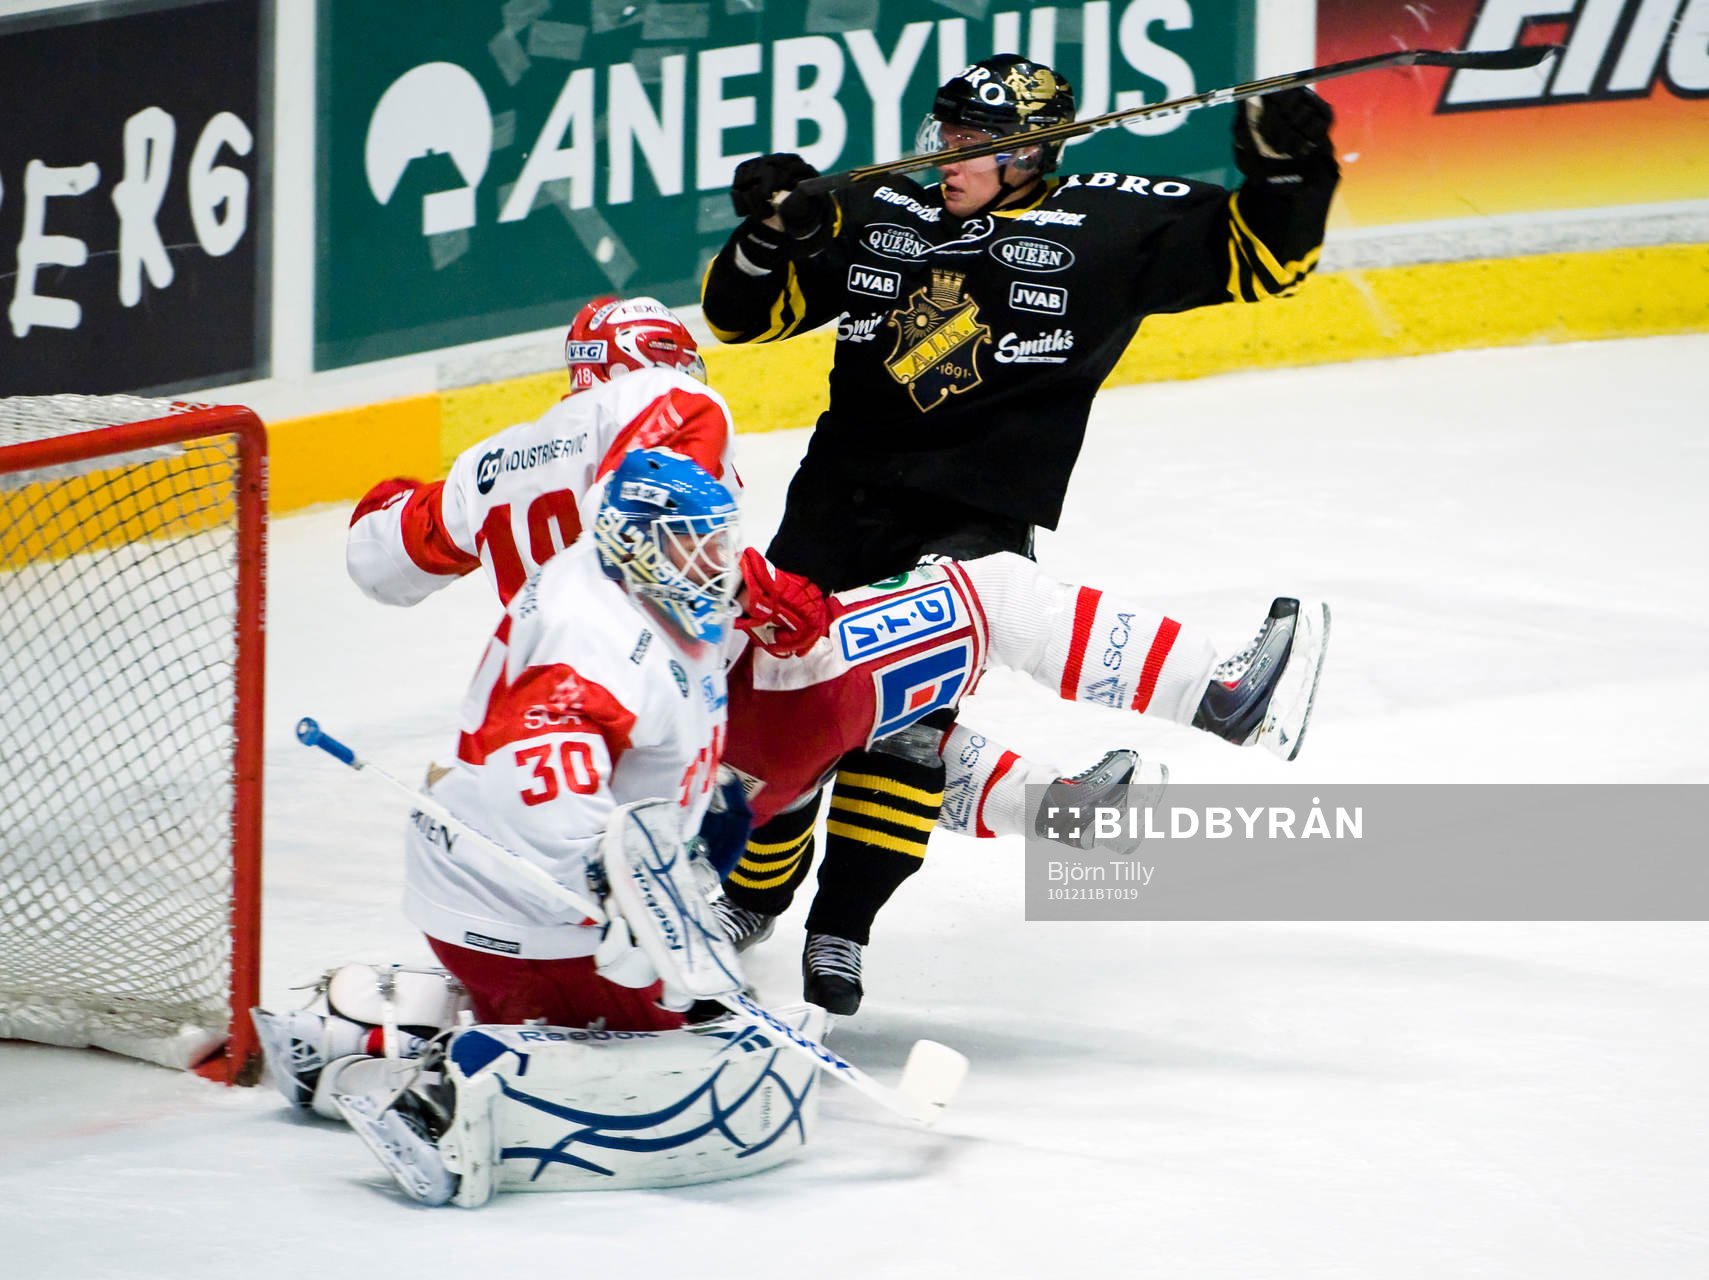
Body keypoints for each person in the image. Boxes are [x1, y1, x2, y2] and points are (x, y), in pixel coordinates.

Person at [700, 53, 1340, 1007]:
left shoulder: (1107, 223)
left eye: (972, 142)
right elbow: (738, 321)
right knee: (781, 717)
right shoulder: (877, 210)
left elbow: (1264, 261)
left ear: (1029, 153)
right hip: (832, 511)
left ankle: (841, 933)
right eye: (945, 134)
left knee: (905, 735)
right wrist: (766, 236)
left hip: (969, 520)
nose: (945, 155)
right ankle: (748, 900)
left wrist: (1289, 171)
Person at [253, 451, 830, 1205]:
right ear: (637, 542)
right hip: (525, 898)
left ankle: (346, 1031)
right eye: (696, 543)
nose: (717, 564)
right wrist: (626, 893)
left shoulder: (639, 584)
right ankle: (438, 1102)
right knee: (663, 1036)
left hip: (494, 876)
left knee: (664, 995)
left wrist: (682, 832)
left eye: (720, 542)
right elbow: (539, 789)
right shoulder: (592, 636)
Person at [716, 552, 1329, 1011]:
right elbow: (773, 600)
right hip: (776, 706)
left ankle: (1057, 808)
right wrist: (755, 585)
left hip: (728, 778)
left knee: (869, 747)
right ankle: (1218, 696)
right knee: (997, 601)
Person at [346, 295, 738, 610]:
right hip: (639, 664)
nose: (686, 377)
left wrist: (408, 496)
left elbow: (373, 560)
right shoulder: (673, 401)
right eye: (675, 363)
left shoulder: (490, 466)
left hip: (545, 670)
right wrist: (751, 590)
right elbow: (642, 537)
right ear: (633, 368)